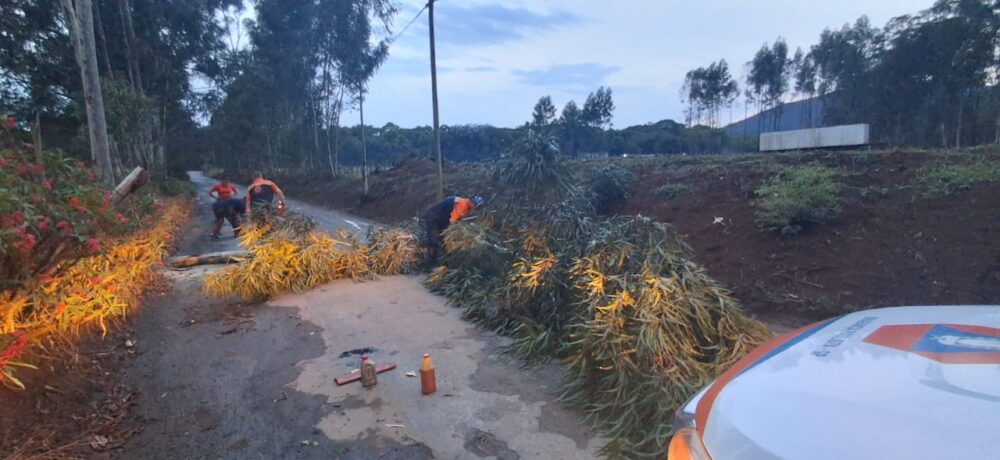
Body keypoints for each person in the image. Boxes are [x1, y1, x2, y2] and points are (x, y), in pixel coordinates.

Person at [422, 195, 484, 264]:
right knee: (433, 240)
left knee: (443, 239)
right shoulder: (462, 204)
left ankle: (441, 260)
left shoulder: (466, 207)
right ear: (472, 202)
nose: (474, 208)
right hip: (434, 216)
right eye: (475, 205)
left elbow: (457, 218)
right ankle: (429, 262)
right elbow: (452, 221)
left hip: (442, 218)